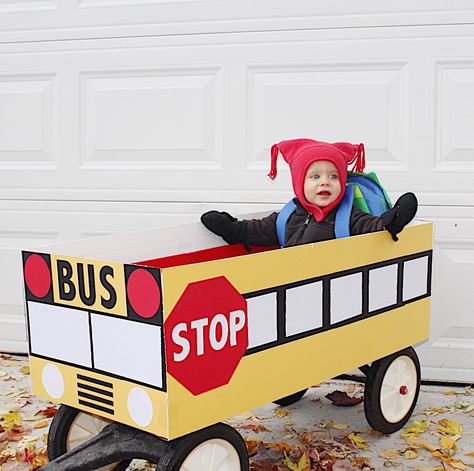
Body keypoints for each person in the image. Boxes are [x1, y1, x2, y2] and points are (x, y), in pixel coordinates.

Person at [201, 138, 417, 248]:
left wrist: (391, 222)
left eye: (333, 176)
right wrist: (231, 228)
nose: (325, 182)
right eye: (315, 177)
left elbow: (372, 227)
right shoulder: (286, 216)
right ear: (299, 183)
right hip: (293, 287)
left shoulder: (348, 216)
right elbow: (256, 230)